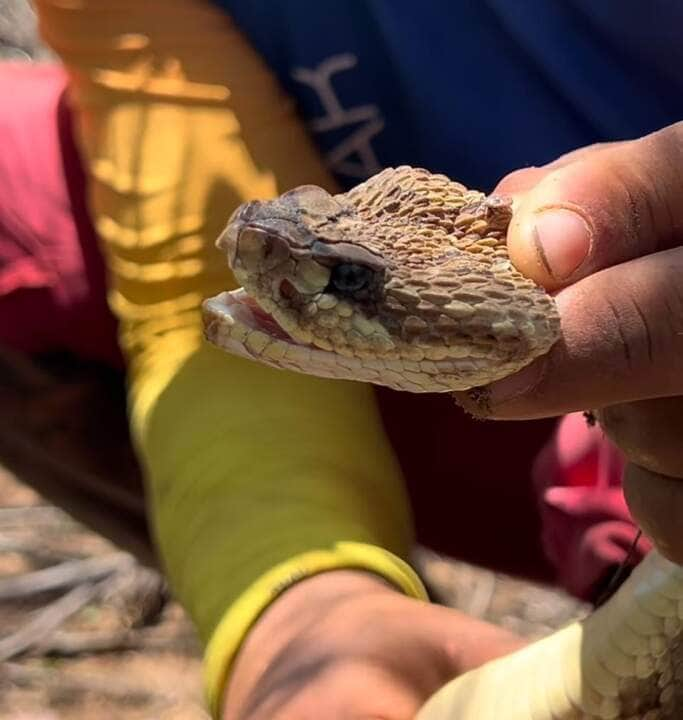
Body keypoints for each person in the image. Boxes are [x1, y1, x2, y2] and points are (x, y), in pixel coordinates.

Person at [0, 1, 680, 718]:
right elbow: (186, 257)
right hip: (488, 401)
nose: (248, 245)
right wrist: (302, 609)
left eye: (344, 278)